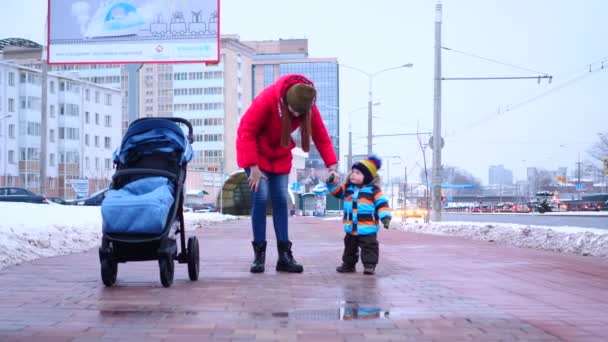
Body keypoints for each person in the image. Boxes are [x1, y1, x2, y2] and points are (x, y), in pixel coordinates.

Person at [236, 74, 338, 273]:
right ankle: (259, 255)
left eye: (301, 114)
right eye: (293, 111)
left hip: (280, 155)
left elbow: (321, 136)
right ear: (284, 101)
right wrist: (253, 167)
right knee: (260, 197)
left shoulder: (307, 105)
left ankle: (284, 256)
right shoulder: (267, 99)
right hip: (255, 155)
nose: (297, 116)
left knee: (281, 200)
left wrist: (332, 165)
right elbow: (246, 131)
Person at [326, 155, 391, 275]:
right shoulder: (348, 189)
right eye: (352, 172)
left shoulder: (373, 191)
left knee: (369, 247)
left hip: (367, 227)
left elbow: (382, 204)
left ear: (367, 177)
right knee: (349, 247)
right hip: (351, 227)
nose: (353, 175)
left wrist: (385, 217)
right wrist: (331, 184)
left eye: (357, 173)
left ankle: (369, 265)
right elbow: (336, 192)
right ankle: (348, 265)